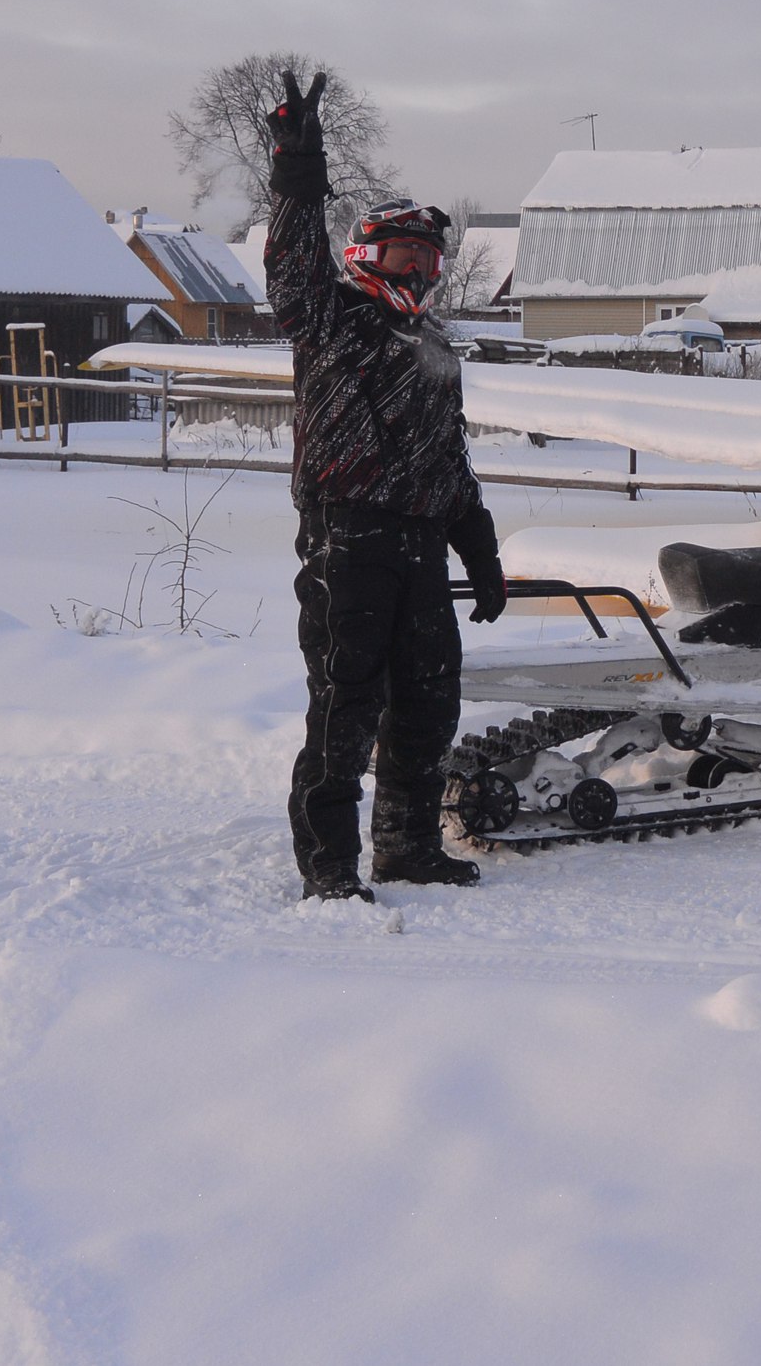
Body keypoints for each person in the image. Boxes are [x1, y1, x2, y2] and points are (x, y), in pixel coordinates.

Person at [264, 70, 508, 902]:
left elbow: (450, 456)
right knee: (345, 707)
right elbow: (292, 268)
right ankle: (328, 864)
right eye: (405, 252)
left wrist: (479, 543)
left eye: (429, 255)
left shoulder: (436, 345)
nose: (419, 266)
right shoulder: (329, 316)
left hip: (421, 545)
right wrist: (299, 169)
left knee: (429, 704)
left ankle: (406, 846)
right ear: (370, 255)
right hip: (348, 538)